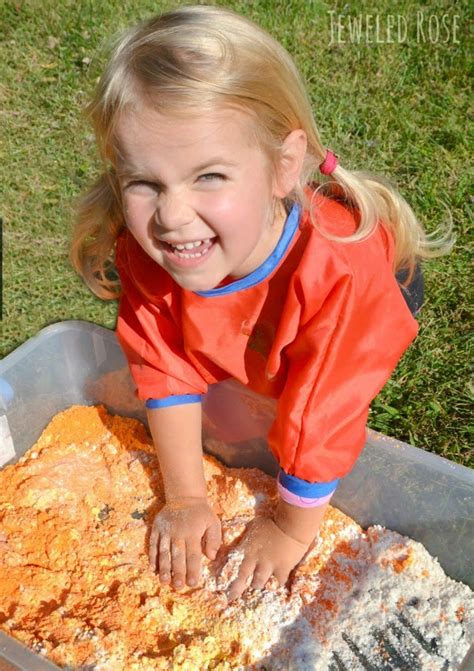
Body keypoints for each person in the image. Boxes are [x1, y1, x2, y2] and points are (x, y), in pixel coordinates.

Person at [70, 5, 453, 602]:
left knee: (309, 383)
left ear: (283, 166)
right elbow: (163, 362)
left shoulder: (342, 277)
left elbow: (323, 415)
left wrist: (289, 530)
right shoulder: (148, 251)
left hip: (366, 302)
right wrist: (187, 499)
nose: (171, 217)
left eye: (209, 176)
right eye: (145, 182)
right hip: (256, 320)